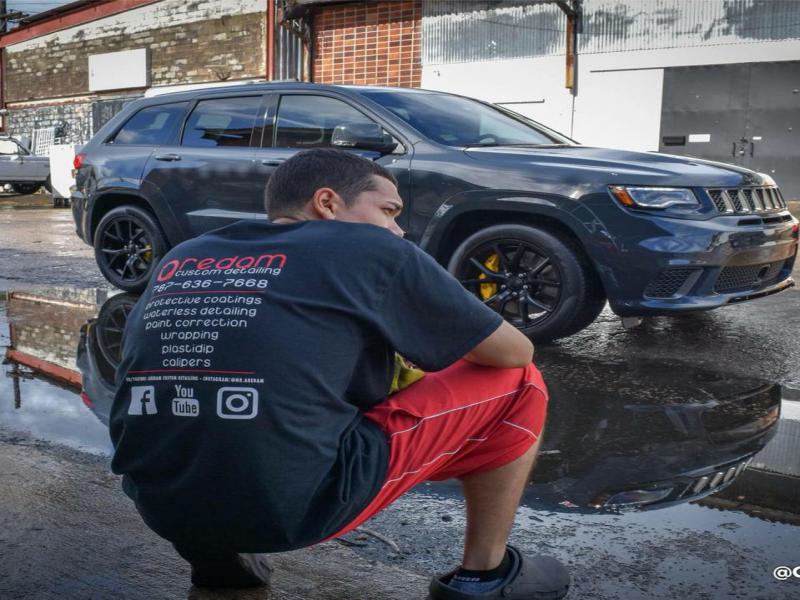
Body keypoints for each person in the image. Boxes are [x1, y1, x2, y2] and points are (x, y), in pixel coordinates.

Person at [110, 148, 570, 599]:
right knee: (521, 382)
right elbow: (512, 350)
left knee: (204, 390)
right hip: (289, 511)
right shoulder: (368, 247)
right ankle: (484, 576)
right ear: (327, 203)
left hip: (160, 503)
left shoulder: (186, 256)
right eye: (388, 211)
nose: (396, 228)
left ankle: (216, 556)